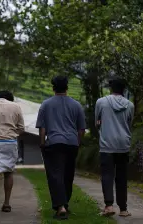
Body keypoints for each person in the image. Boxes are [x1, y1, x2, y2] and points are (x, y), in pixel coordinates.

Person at [36, 75, 86, 220]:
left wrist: (42, 143)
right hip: (71, 143)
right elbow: (81, 129)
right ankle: (65, 204)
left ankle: (61, 207)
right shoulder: (76, 105)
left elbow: (42, 128)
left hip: (54, 143)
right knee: (68, 175)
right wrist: (77, 142)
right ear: (67, 88)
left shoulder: (46, 104)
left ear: (53, 88)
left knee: (55, 175)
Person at [95, 76, 134, 217]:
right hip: (123, 144)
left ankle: (109, 206)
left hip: (107, 144)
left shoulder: (101, 102)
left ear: (111, 88)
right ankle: (123, 209)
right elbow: (129, 125)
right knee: (122, 176)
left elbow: (96, 123)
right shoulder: (130, 105)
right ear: (124, 89)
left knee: (107, 175)